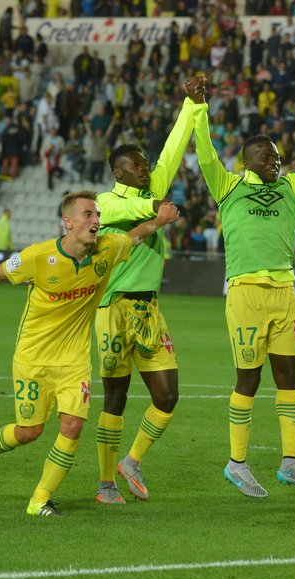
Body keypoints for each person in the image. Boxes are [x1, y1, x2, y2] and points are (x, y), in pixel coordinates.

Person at [0, 191, 178, 517]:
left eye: (97, 215)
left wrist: (160, 221)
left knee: (73, 426)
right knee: (29, 432)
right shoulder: (39, 256)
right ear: (68, 222)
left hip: (74, 360)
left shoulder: (108, 248)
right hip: (33, 358)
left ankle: (40, 500)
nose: (96, 221)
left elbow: (134, 236)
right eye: (88, 215)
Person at [190, 76, 295, 497]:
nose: (276, 164)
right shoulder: (227, 187)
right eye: (267, 158)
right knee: (248, 377)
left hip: (285, 294)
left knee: (289, 376)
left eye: (278, 158)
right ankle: (237, 464)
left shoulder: (291, 187)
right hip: (246, 293)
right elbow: (206, 154)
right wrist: (199, 109)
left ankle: (290, 462)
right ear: (248, 162)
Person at [92, 80, 199, 505]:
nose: (145, 168)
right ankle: (105, 484)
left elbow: (174, 147)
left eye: (144, 163)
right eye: (136, 165)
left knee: (168, 395)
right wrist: (155, 211)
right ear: (119, 172)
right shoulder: (105, 202)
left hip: (149, 310)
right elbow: (122, 211)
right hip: (113, 308)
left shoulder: (152, 189)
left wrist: (192, 103)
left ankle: (131, 460)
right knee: (115, 397)